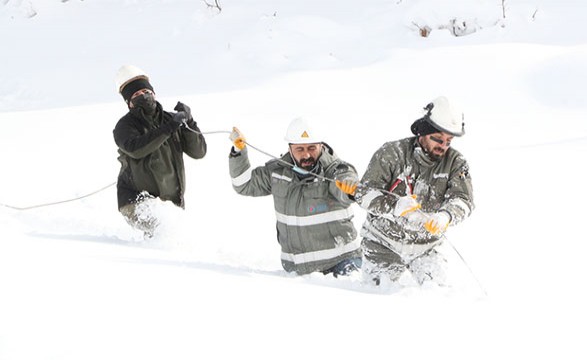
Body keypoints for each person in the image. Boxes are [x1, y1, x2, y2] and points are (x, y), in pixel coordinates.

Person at [335, 96, 474, 286]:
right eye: (438, 139)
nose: (443, 146)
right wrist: (394, 206)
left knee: (437, 295)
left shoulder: (456, 163)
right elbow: (364, 194)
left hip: (427, 247)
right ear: (423, 133)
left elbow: (464, 200)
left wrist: (446, 217)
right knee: (380, 295)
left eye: (448, 141)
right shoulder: (391, 153)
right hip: (382, 242)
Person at [228, 117, 361, 277]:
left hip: (342, 264)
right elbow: (244, 184)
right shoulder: (277, 172)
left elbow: (345, 180)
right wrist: (239, 151)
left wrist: (349, 187)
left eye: (312, 148)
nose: (306, 155)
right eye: (300, 149)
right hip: (298, 272)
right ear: (290, 149)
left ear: (321, 145)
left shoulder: (334, 170)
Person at [113, 65, 207, 236]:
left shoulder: (171, 119)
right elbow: (136, 149)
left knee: (176, 236)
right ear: (129, 103)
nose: (143, 96)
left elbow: (198, 152)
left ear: (153, 93)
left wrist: (190, 122)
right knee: (166, 233)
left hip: (171, 203)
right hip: (135, 200)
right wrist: (169, 128)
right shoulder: (125, 127)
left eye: (145, 91)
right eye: (136, 95)